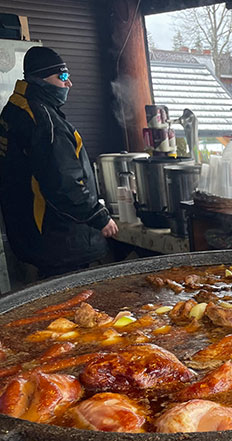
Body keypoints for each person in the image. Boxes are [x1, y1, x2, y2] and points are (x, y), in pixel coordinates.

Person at [0, 46, 117, 280]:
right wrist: (99, 216)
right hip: (58, 239)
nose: (69, 83)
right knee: (71, 307)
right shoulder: (44, 121)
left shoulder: (13, 111)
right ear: (42, 78)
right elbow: (63, 182)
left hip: (28, 233)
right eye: (62, 76)